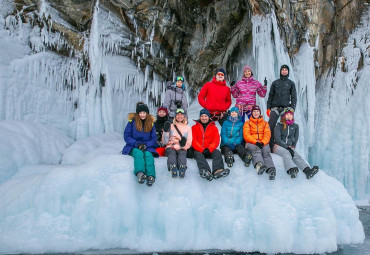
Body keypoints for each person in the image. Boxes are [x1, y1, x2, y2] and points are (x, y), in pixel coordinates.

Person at [273, 107, 319, 179]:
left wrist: (293, 146)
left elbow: (296, 138)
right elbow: (277, 139)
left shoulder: (295, 126)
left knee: (296, 155)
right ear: (284, 115)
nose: (289, 116)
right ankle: (291, 170)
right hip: (278, 146)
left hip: (289, 147)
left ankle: (307, 171)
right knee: (286, 153)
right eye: (287, 114)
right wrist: (287, 147)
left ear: (293, 116)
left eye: (290, 114)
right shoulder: (279, 125)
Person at [121, 102, 158, 186]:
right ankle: (140, 174)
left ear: (147, 113)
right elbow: (127, 136)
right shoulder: (131, 122)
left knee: (148, 154)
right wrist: (136, 144)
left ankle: (151, 176)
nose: (142, 115)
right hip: (132, 146)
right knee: (139, 153)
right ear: (137, 114)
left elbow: (153, 139)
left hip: (146, 146)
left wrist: (146, 145)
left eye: (144, 113)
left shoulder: (151, 124)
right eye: (140, 113)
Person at [191, 108, 230, 181]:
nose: (204, 118)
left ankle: (218, 170)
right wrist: (202, 149)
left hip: (209, 150)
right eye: (202, 116)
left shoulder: (214, 128)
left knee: (217, 152)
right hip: (199, 150)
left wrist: (209, 149)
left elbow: (216, 140)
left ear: (209, 117)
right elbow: (194, 141)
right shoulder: (194, 128)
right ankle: (206, 171)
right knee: (197, 154)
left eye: (206, 116)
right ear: (200, 117)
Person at [266, 64, 297, 150]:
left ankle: (283, 144)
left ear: (288, 72)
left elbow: (294, 97)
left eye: (285, 70)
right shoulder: (275, 83)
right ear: (280, 71)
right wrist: (268, 108)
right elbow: (270, 96)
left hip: (286, 109)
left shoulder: (291, 84)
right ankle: (270, 144)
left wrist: (292, 109)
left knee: (284, 126)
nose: (284, 71)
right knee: (271, 125)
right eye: (282, 70)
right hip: (275, 108)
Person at [243, 105, 276, 180]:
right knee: (256, 149)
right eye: (254, 111)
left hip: (262, 142)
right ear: (252, 113)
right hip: (251, 143)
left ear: (260, 113)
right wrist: (255, 142)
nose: (256, 113)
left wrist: (263, 142)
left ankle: (271, 169)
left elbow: (267, 134)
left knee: (266, 151)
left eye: (257, 111)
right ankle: (259, 166)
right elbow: (246, 135)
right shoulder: (247, 123)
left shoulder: (265, 123)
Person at [162, 108, 192, 178]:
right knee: (171, 153)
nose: (179, 116)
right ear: (175, 116)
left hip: (182, 147)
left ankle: (182, 167)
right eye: (178, 115)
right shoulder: (171, 126)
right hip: (171, 146)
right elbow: (164, 142)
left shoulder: (188, 128)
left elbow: (189, 141)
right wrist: (165, 132)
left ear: (184, 116)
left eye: (181, 115)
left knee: (182, 154)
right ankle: (173, 166)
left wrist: (183, 145)